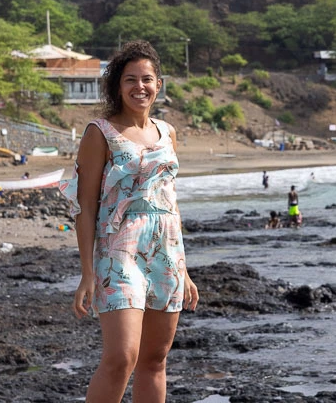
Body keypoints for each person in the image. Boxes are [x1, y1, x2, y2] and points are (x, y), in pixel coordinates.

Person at [59, 40, 198, 403]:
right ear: (117, 86)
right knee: (121, 357)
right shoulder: (99, 132)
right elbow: (85, 207)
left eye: (147, 79)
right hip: (118, 252)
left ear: (159, 84)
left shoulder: (167, 133)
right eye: (130, 79)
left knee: (154, 359)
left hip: (166, 252)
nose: (140, 86)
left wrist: (183, 269)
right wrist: (87, 273)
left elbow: (169, 200)